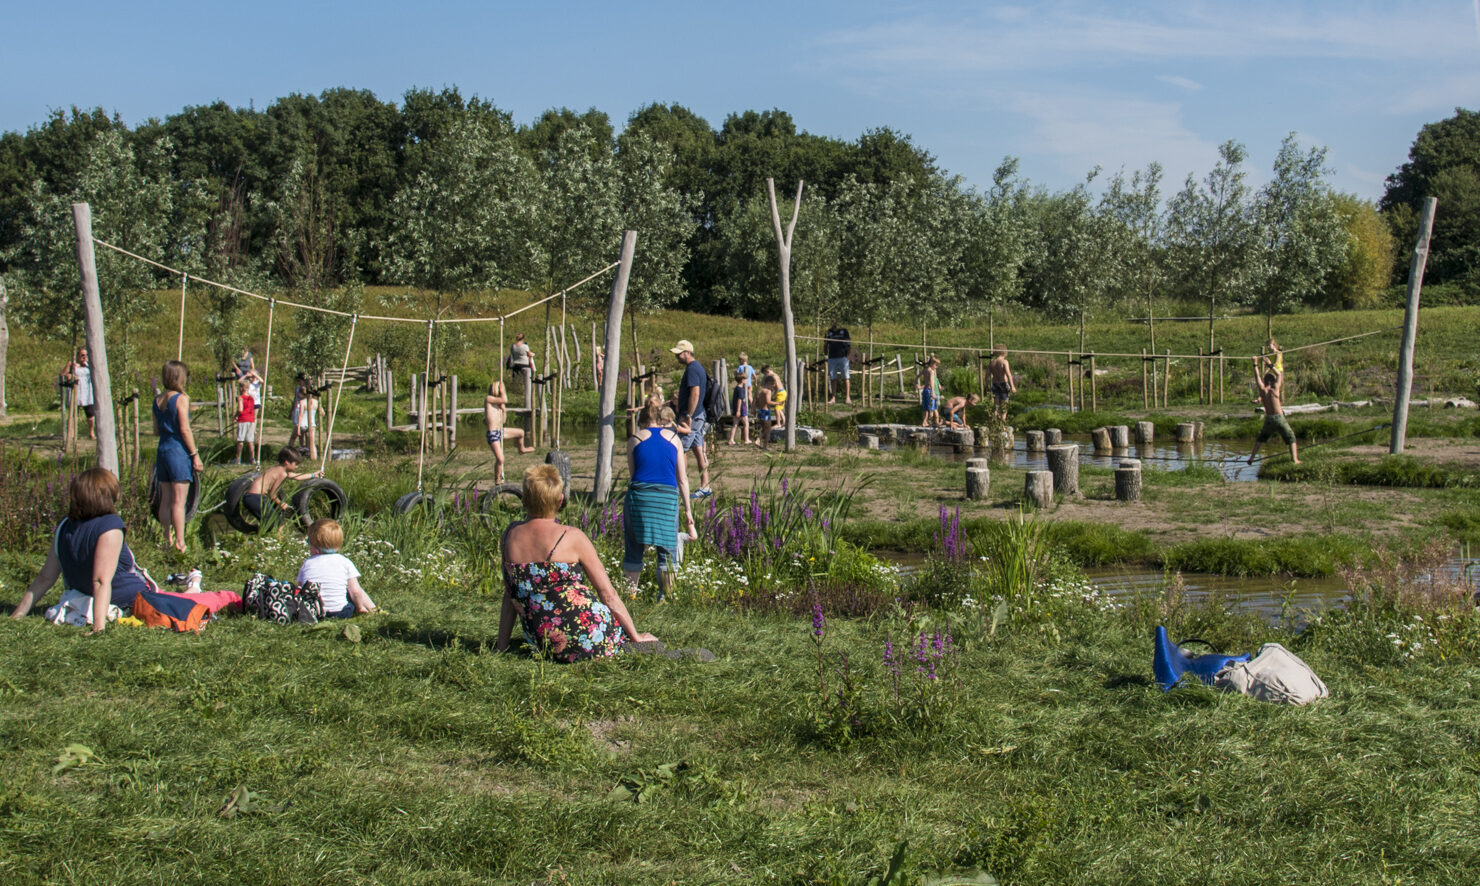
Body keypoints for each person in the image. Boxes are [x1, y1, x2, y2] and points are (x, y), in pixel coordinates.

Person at [497, 464, 657, 662]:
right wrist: (636, 636)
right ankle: (631, 645)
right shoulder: (572, 537)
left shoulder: (510, 536)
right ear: (560, 500)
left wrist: (501, 647)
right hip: (592, 633)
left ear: (525, 500)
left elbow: (510, 596)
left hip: (545, 643)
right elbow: (608, 594)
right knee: (633, 643)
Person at [10, 467, 156, 633]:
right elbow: (100, 580)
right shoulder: (110, 525)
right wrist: (98, 627)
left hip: (83, 596)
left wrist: (18, 613)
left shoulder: (65, 526)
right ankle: (193, 580)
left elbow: (45, 577)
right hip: (129, 598)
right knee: (185, 600)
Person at [622, 396, 696, 599]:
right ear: (660, 419)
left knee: (633, 548)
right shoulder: (674, 439)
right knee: (667, 549)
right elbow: (682, 479)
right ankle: (666, 598)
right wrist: (688, 511)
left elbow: (633, 474)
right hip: (666, 498)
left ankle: (630, 597)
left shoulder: (635, 439)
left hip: (640, 496)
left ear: (642, 421)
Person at [154, 360, 204, 553]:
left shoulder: (157, 400)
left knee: (165, 499)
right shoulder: (181, 399)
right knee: (179, 501)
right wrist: (194, 455)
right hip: (178, 451)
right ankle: (180, 543)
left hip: (163, 450)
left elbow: (156, 430)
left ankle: (166, 538)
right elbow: (184, 428)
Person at [297, 518, 376, 618]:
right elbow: (355, 592)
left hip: (312, 612)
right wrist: (359, 606)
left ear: (316, 550)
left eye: (309, 543)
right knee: (353, 588)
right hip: (340, 613)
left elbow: (301, 588)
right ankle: (371, 609)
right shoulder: (344, 562)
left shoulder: (307, 563)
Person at [670, 339, 711, 498]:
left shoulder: (693, 369)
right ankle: (705, 486)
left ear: (687, 352)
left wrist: (688, 415)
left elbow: (695, 393)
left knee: (681, 449)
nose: (677, 357)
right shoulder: (696, 367)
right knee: (698, 450)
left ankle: (679, 486)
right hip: (697, 415)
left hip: (692, 417)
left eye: (678, 354)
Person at [242, 447, 322, 523]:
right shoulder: (282, 474)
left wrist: (313, 475)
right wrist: (281, 504)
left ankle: (267, 536)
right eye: (296, 464)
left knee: (270, 522)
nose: (297, 467)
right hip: (256, 497)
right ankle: (276, 537)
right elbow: (272, 494)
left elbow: (297, 476)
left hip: (249, 497)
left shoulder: (277, 469)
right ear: (287, 462)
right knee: (275, 521)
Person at [1247, 358, 1300, 465]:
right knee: (1291, 438)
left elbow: (1257, 377)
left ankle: (1251, 458)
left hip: (1269, 418)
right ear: (1272, 381)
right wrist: (1270, 364)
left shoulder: (1262, 391)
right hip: (1279, 417)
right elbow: (1279, 375)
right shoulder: (1275, 389)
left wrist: (1255, 364)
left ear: (1265, 381)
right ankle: (1295, 460)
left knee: (1260, 439)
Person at [484, 379, 533, 483]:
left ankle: (521, 449)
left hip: (500, 431)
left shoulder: (498, 404)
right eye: (501, 389)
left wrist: (504, 410)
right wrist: (503, 391)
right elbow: (505, 399)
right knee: (500, 459)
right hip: (493, 434)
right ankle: (497, 479)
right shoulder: (488, 399)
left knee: (520, 432)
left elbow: (504, 421)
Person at [61, 347, 96, 439]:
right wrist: (69, 366)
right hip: (75, 391)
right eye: (82, 355)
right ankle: (71, 433)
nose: (84, 357)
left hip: (87, 392)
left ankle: (91, 432)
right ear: (77, 356)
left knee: (90, 415)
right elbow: (63, 375)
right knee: (73, 414)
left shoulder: (89, 365)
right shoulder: (73, 366)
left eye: (86, 355)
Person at [824, 322, 852, 404]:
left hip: (843, 357)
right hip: (832, 357)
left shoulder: (844, 331)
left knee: (846, 377)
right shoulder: (829, 332)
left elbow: (848, 344)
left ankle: (847, 397)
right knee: (833, 378)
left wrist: (847, 356)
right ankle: (833, 398)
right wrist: (826, 354)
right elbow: (825, 344)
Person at [987, 345, 1017, 421]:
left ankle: (995, 422)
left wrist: (986, 385)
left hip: (994, 384)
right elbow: (1008, 374)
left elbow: (986, 376)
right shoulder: (1004, 362)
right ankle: (1002, 424)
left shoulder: (992, 363)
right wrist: (1012, 386)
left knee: (996, 406)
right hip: (1003, 384)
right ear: (1004, 352)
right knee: (1004, 406)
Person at [508, 333, 537, 403]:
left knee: (518, 383)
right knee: (527, 386)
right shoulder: (525, 346)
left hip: (516, 365)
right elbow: (529, 354)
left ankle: (516, 398)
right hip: (525, 365)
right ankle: (527, 403)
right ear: (523, 338)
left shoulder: (513, 346)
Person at [753, 373, 779, 450]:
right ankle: (764, 446)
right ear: (768, 383)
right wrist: (778, 403)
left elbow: (754, 402)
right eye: (772, 385)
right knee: (767, 430)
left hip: (760, 411)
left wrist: (753, 409)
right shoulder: (767, 391)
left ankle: (758, 440)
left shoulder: (759, 390)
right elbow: (768, 402)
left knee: (764, 428)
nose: (772, 387)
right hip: (766, 412)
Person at [233, 379, 256, 465]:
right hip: (251, 419)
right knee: (250, 440)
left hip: (243, 419)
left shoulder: (240, 398)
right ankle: (252, 458)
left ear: (241, 388)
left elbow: (240, 409)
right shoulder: (251, 398)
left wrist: (235, 416)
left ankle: (238, 459)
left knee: (240, 440)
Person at [726, 367, 751, 445]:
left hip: (736, 408)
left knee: (735, 424)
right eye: (746, 379)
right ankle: (746, 439)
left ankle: (731, 439)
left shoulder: (736, 388)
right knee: (746, 424)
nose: (746, 381)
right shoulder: (740, 389)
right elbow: (740, 400)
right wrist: (738, 410)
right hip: (741, 409)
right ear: (742, 380)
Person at [297, 387, 320, 461]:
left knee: (301, 441)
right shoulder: (316, 402)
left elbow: (300, 415)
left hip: (303, 424)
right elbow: (322, 413)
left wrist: (298, 427)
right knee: (312, 443)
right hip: (312, 424)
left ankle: (300, 456)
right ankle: (313, 458)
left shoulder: (303, 402)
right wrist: (317, 421)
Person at [918, 356, 941, 427]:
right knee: (932, 408)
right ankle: (931, 422)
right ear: (932, 363)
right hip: (930, 391)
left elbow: (917, 376)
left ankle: (924, 422)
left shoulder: (925, 370)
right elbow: (931, 383)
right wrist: (933, 392)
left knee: (925, 408)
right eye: (936, 365)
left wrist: (916, 384)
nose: (936, 367)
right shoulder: (931, 371)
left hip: (925, 390)